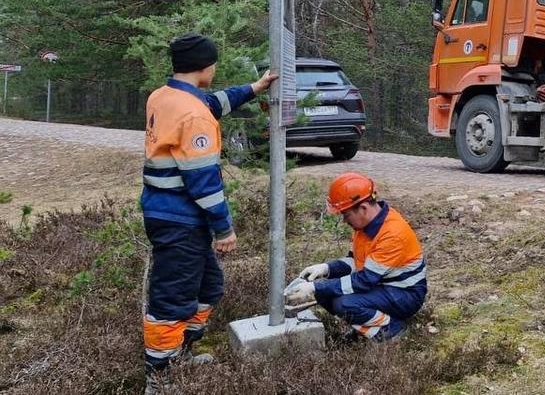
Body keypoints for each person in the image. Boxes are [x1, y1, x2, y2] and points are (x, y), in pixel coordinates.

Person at [142, 34, 276, 389]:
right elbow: (202, 181)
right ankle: (159, 378)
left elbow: (212, 103)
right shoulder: (193, 114)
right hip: (180, 219)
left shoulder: (164, 96)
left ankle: (181, 351)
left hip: (168, 214)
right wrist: (224, 228)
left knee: (208, 285)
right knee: (172, 297)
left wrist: (254, 88)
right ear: (206, 66)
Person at [286, 172, 427, 340]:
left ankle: (392, 328)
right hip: (384, 286)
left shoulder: (392, 234)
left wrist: (316, 287)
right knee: (325, 293)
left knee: (344, 303)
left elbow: (365, 280)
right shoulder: (364, 226)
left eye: (346, 214)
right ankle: (369, 326)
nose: (345, 220)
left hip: (404, 294)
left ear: (363, 209)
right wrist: (326, 269)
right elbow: (355, 261)